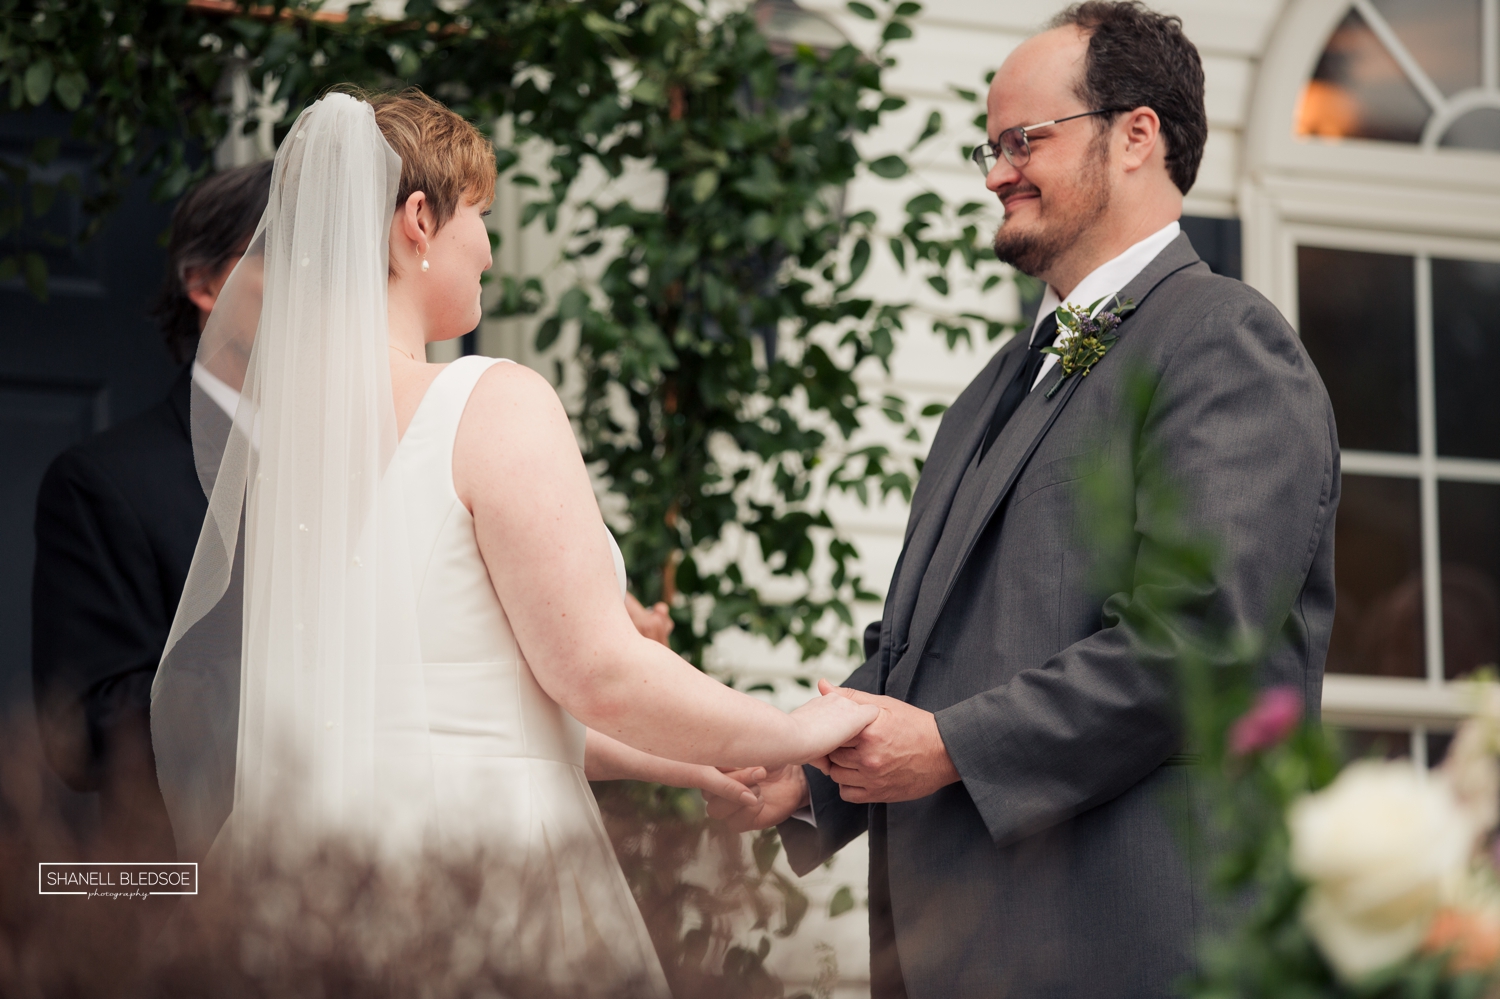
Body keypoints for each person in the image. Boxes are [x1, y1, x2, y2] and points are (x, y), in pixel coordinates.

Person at [148, 89, 876, 995]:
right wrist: (792, 729)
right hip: (478, 868)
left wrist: (688, 761)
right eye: (481, 217)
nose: (489, 248)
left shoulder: (293, 447)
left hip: (317, 870)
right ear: (419, 219)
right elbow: (594, 670)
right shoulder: (488, 397)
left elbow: (478, 696)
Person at [706, 4, 1340, 997]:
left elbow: (1199, 642)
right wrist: (812, 774)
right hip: (951, 950)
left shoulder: (1223, 343)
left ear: (1137, 135)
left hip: (1124, 949)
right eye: (989, 147)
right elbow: (929, 652)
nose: (997, 172)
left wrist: (953, 748)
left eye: (1024, 140)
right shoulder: (987, 391)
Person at [31, 161, 272, 860]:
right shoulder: (102, 481)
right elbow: (83, 730)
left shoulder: (393, 460)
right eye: (296, 262)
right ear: (204, 285)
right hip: (196, 902)